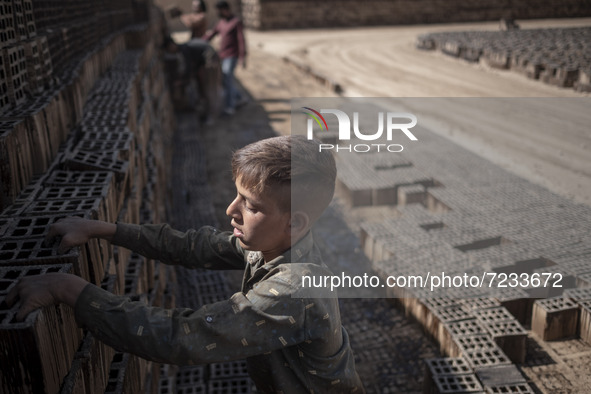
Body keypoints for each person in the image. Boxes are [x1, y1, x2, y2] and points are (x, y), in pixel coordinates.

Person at [7, 136, 365, 393]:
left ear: (296, 222)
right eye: (236, 195)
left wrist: (68, 288)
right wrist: (107, 229)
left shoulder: (292, 291)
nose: (231, 211)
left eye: (251, 205)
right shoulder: (280, 242)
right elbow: (195, 246)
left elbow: (182, 338)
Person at [163, 35, 220, 124]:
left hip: (211, 60)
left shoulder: (184, 50)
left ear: (171, 45)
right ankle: (208, 112)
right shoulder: (185, 48)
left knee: (209, 89)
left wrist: (182, 81)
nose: (170, 52)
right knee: (205, 89)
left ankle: (212, 115)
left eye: (168, 50)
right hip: (206, 60)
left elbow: (189, 68)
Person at [203, 0, 247, 115]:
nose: (218, 12)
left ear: (225, 10)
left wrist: (242, 57)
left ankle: (230, 107)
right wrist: (199, 42)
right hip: (222, 55)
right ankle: (240, 97)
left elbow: (241, 40)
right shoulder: (221, 22)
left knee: (227, 78)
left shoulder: (236, 22)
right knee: (225, 81)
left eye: (219, 10)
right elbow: (211, 34)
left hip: (232, 56)